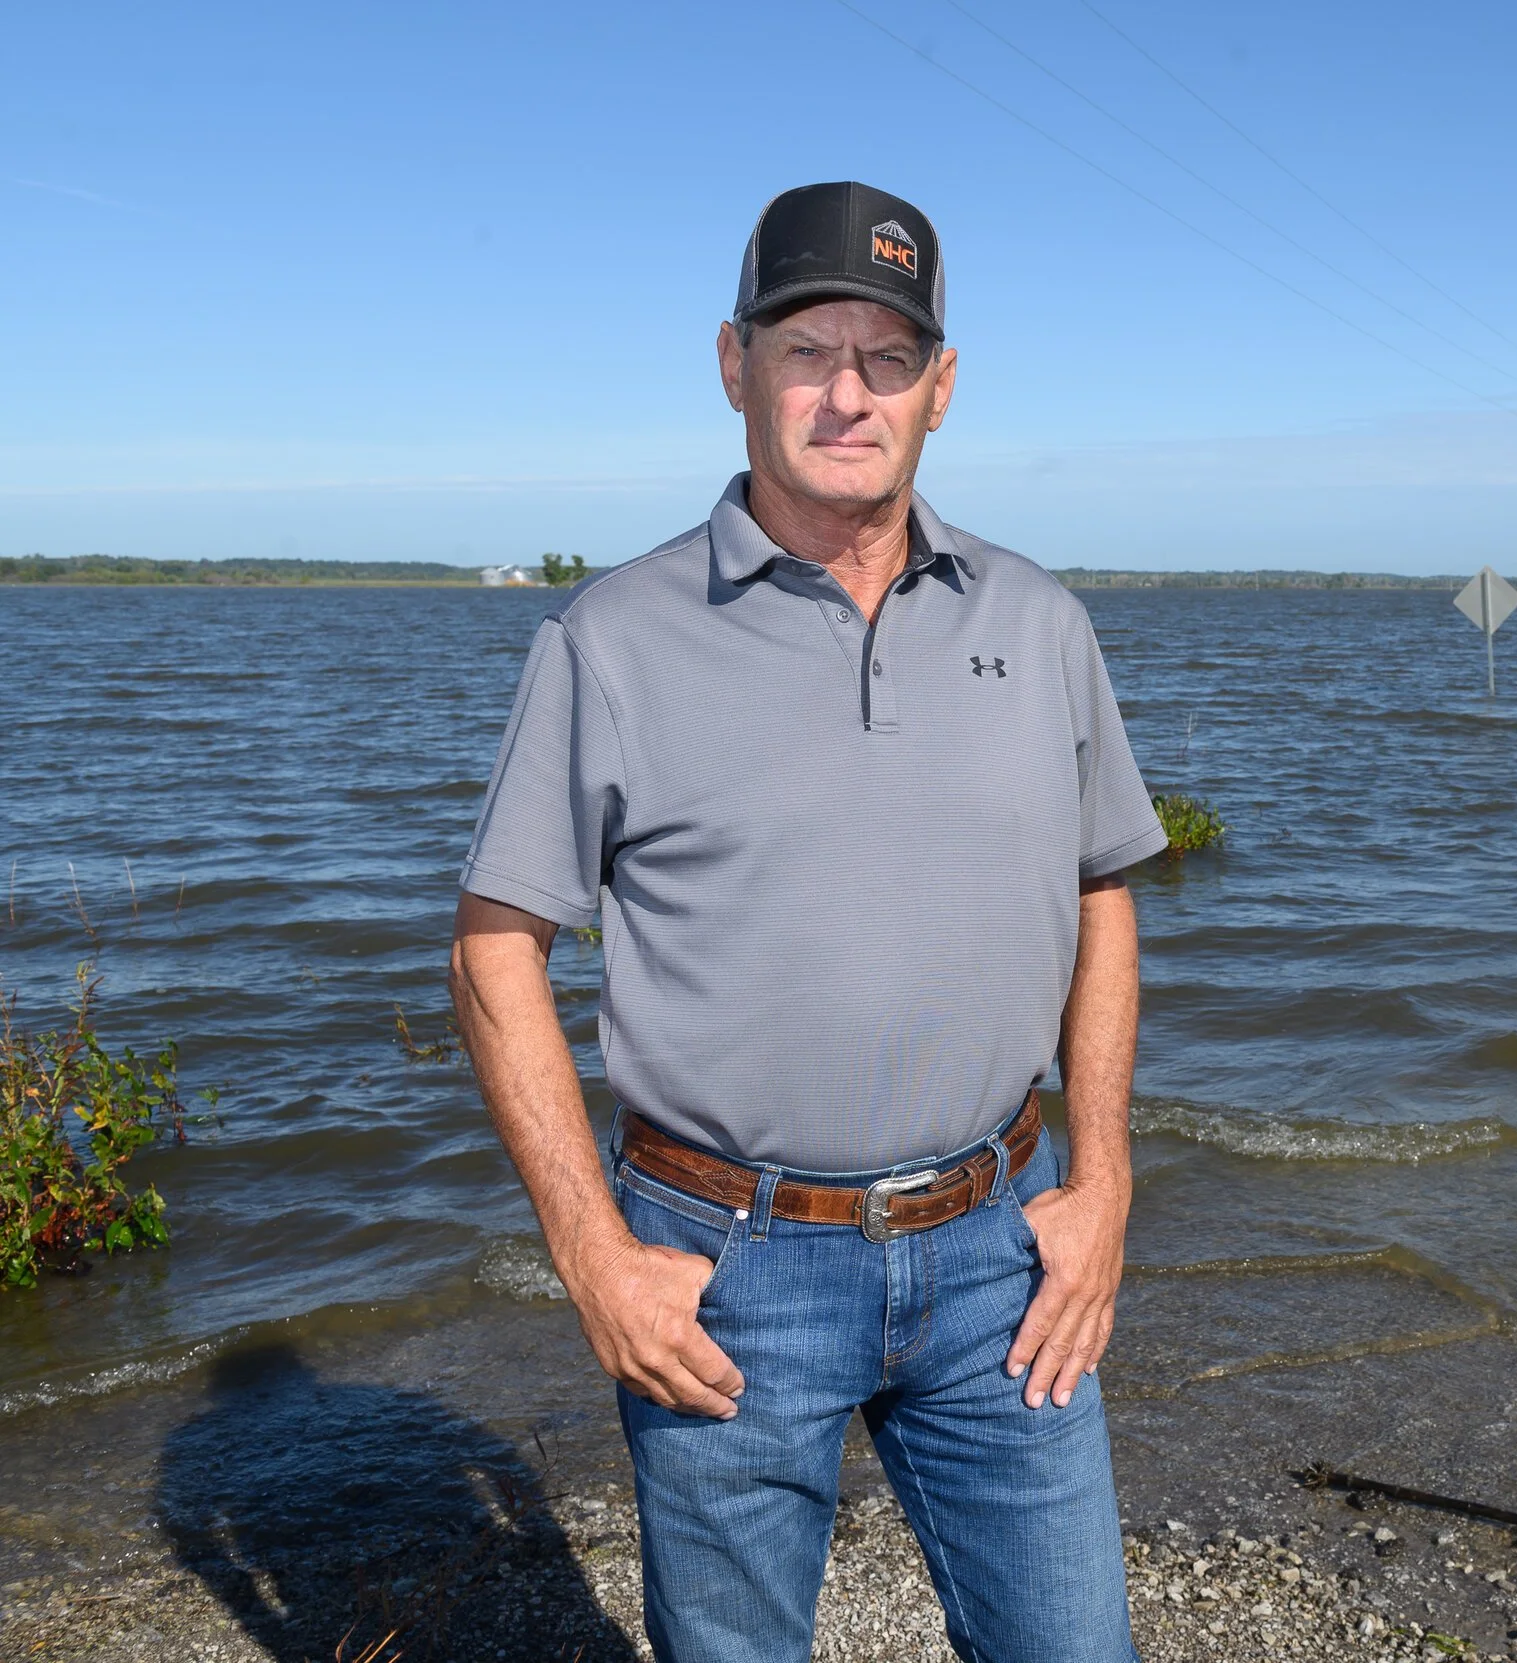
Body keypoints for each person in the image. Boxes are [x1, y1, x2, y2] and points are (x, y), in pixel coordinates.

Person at [448, 180, 1165, 1663]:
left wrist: (1103, 1186)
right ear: (735, 365)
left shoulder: (1040, 624)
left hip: (999, 1256)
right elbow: (494, 942)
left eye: (888, 357)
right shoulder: (612, 637)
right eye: (805, 350)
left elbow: (1104, 892)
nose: (848, 393)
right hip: (724, 1272)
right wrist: (591, 1251)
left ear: (941, 388)